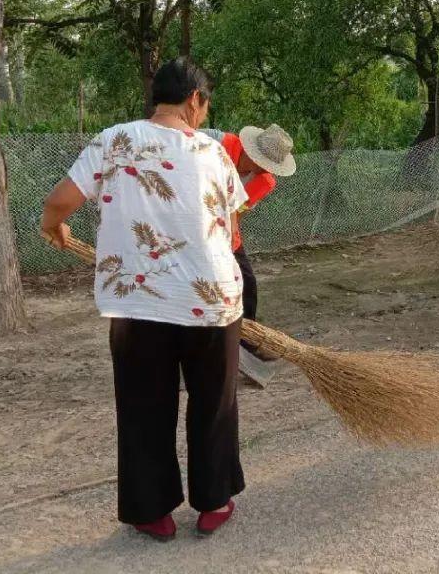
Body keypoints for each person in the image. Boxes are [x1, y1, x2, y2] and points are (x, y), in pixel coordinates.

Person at [40, 58, 246, 540]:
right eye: (207, 100)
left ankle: (151, 510)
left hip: (139, 303)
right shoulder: (215, 153)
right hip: (212, 300)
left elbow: (59, 202)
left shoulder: (114, 139)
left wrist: (54, 228)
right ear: (195, 98)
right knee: (214, 401)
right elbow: (233, 229)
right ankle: (214, 500)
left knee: (143, 404)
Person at [200, 125, 297, 361]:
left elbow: (239, 211)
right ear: (253, 153)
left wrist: (227, 241)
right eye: (265, 163)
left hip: (225, 230)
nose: (267, 170)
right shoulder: (217, 143)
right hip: (194, 221)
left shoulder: (265, 182)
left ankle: (247, 339)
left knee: (246, 281)